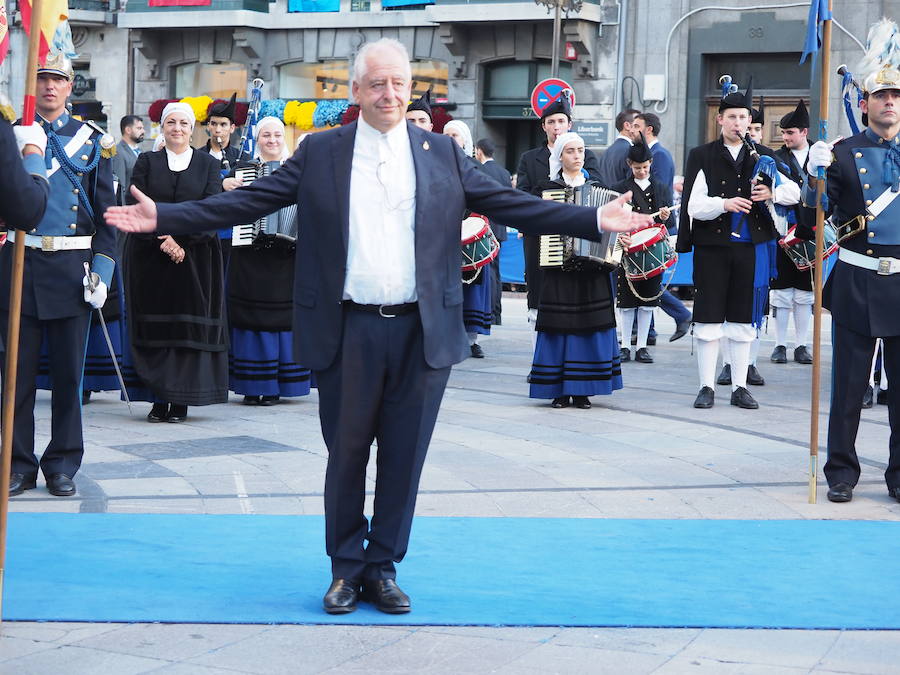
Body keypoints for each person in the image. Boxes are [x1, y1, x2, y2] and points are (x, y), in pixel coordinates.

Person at [105, 38, 650, 615]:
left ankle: (383, 565)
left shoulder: (440, 152)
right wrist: (165, 215)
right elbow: (249, 201)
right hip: (347, 329)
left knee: (403, 457)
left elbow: (513, 205)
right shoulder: (322, 153)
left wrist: (592, 217)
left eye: (398, 83)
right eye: (377, 84)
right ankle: (345, 567)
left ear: (409, 88)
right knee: (345, 454)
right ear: (357, 91)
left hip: (421, 331)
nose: (389, 94)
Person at [1, 53, 117, 498]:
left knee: (70, 378)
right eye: (42, 79)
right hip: (19, 265)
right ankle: (17, 464)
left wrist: (103, 273)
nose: (49, 87)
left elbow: (107, 218)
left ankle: (63, 463)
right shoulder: (12, 137)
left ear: (71, 87)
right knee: (16, 377)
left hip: (72, 270)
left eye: (58, 80)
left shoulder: (93, 141)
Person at [800, 19, 900, 503]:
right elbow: (815, 209)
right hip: (859, 280)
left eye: (896, 96)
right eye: (881, 95)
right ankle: (841, 471)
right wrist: (812, 172)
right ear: (865, 102)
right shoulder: (842, 153)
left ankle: (899, 476)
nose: (889, 103)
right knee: (847, 389)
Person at [677, 77, 799, 410]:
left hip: (751, 248)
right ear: (720, 120)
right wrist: (725, 203)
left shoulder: (763, 155)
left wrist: (771, 193)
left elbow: (795, 191)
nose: (737, 123)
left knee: (744, 319)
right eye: (731, 117)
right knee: (709, 317)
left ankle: (740, 386)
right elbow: (693, 205)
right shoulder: (701, 155)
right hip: (713, 249)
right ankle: (706, 386)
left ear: (750, 122)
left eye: (743, 117)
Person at [122, 101, 226, 423]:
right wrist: (164, 239)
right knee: (158, 330)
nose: (177, 129)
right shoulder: (147, 161)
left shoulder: (207, 165)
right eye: (171, 123)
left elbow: (212, 208)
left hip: (195, 259)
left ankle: (180, 399)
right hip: (151, 257)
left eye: (183, 123)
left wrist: (181, 241)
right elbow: (135, 202)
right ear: (162, 128)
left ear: (192, 129)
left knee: (184, 331)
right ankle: (158, 399)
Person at [529, 132, 623, 408]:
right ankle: (559, 389)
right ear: (560, 156)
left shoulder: (599, 187)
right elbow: (534, 224)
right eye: (570, 151)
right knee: (559, 326)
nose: (577, 155)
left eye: (580, 150)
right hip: (559, 268)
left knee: (589, 326)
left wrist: (617, 239)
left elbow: (610, 226)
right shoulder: (546, 189)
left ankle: (583, 389)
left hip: (592, 271)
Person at [225, 116, 312, 405]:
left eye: (277, 135)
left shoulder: (299, 170)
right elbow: (230, 209)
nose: (272, 140)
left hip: (289, 255)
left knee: (284, 318)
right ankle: (252, 385)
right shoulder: (242, 171)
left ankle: (279, 385)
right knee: (250, 317)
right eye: (266, 136)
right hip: (251, 254)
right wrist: (227, 186)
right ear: (257, 139)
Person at [516, 96, 603, 326]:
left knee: (576, 299)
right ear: (543, 126)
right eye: (551, 122)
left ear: (569, 124)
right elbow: (522, 197)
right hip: (540, 239)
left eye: (561, 121)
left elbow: (599, 190)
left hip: (578, 240)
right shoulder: (529, 159)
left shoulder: (587, 156)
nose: (556, 127)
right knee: (539, 298)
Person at [613, 134, 672, 364]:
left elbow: (667, 225)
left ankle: (642, 346)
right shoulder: (620, 188)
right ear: (630, 165)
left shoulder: (660, 187)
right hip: (628, 250)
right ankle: (626, 345)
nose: (642, 171)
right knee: (627, 302)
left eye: (645, 167)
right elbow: (613, 222)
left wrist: (665, 217)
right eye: (637, 167)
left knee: (648, 302)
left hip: (652, 252)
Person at [771, 100, 814, 366]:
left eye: (790, 133)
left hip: (810, 230)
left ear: (804, 132)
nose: (785, 137)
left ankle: (801, 345)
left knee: (805, 293)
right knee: (781, 290)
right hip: (783, 230)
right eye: (784, 133)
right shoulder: (776, 157)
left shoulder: (821, 156)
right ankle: (779, 345)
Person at [444, 119, 491, 358]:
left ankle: (472, 340)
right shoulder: (435, 163)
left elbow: (484, 199)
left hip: (468, 232)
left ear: (465, 140)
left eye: (456, 135)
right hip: (442, 235)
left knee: (472, 289)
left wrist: (470, 224)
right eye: (447, 134)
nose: (451, 139)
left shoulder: (475, 167)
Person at [198, 93, 250, 269]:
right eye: (214, 124)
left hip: (234, 234)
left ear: (232, 127)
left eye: (223, 124)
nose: (218, 129)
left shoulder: (243, 157)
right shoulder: (196, 157)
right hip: (204, 232)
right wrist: (221, 185)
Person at [475, 137, 512, 325]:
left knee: (485, 270)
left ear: (479, 151)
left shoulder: (479, 170)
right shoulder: (504, 173)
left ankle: (487, 312)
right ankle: (497, 314)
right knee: (496, 271)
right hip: (500, 227)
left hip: (485, 226)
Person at [596, 108, 640, 189]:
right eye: (637, 125)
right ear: (627, 125)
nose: (641, 129)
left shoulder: (607, 152)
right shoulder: (631, 150)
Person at [111, 114, 144, 205]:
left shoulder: (140, 151)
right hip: (127, 207)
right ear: (128, 130)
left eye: (142, 128)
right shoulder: (118, 152)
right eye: (139, 128)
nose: (143, 131)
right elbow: (120, 186)